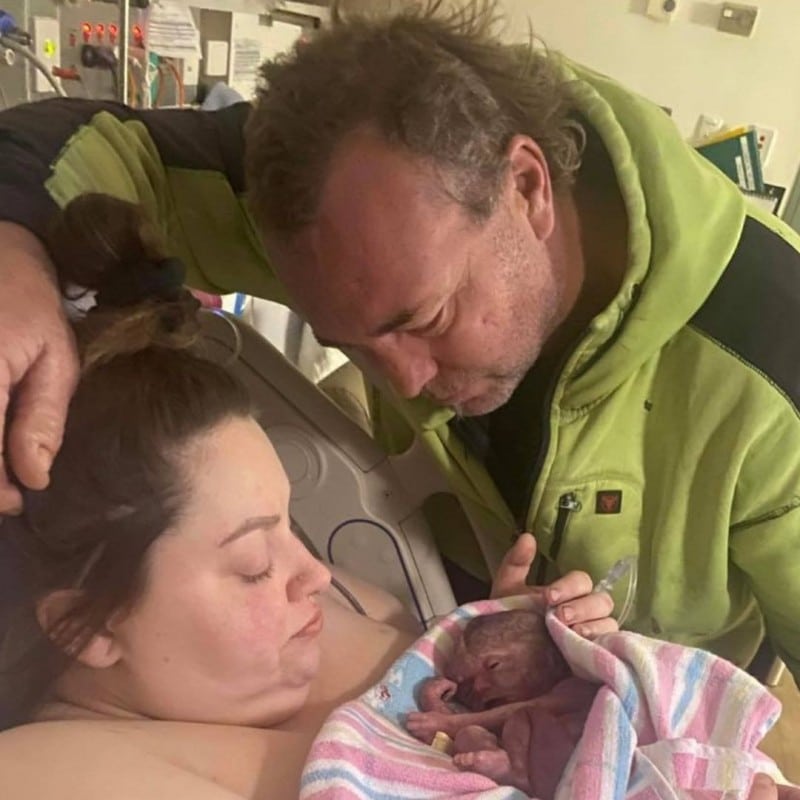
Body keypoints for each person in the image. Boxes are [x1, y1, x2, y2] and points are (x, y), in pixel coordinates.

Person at [0, 0, 799, 700]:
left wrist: (630, 694)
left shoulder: (775, 354)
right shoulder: (334, 206)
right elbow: (71, 146)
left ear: (527, 186)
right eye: (351, 342)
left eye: (427, 317)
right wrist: (16, 253)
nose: (406, 382)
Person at [0, 193, 621, 799]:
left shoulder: (302, 624)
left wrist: (503, 654)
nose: (316, 573)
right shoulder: (46, 773)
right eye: (253, 568)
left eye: (289, 527)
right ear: (89, 628)